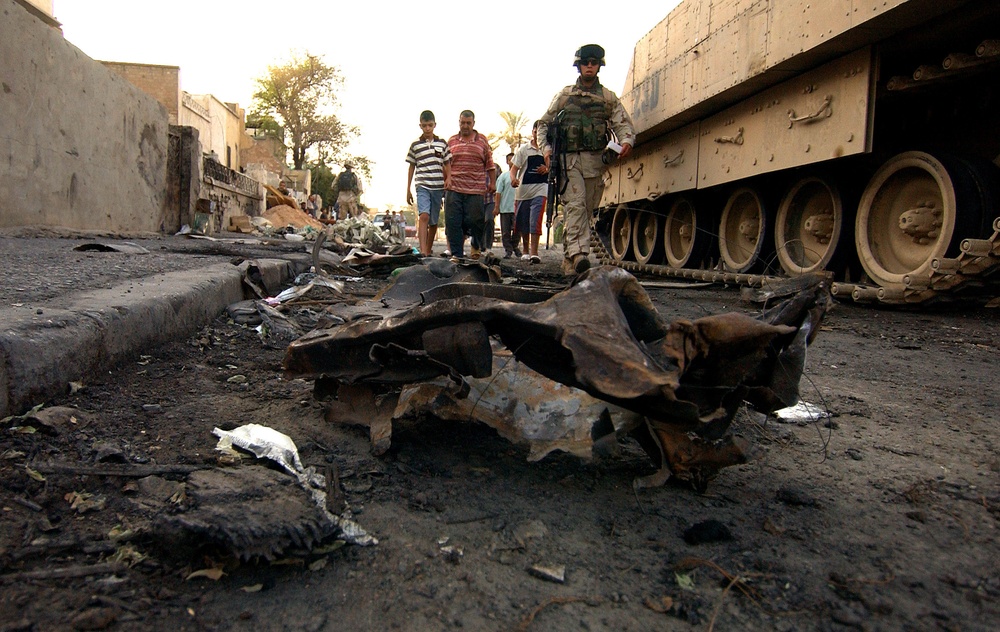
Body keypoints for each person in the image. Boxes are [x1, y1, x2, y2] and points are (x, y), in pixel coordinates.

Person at [537, 44, 635, 274]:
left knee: (586, 209)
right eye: (585, 62)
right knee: (576, 203)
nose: (589, 66)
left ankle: (570, 257)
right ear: (578, 66)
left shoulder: (607, 98)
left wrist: (627, 141)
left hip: (595, 161)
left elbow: (622, 123)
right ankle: (581, 254)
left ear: (599, 66)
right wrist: (546, 150)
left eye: (593, 62)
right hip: (568, 161)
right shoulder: (565, 95)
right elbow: (543, 124)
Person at [444, 110, 495, 260]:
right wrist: (445, 180)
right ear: (459, 122)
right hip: (454, 188)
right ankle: (457, 255)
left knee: (476, 221)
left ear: (473, 123)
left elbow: (490, 164)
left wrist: (493, 183)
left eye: (468, 123)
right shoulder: (451, 141)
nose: (465, 126)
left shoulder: (482, 141)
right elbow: (446, 164)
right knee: (453, 222)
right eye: (462, 123)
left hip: (476, 190)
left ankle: (476, 243)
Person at [405, 110, 451, 256]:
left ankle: (428, 249)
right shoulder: (415, 145)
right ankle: (423, 251)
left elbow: (447, 162)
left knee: (433, 221)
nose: (427, 129)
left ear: (434, 125)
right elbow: (411, 166)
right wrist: (408, 188)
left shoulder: (442, 144)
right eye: (424, 126)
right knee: (424, 215)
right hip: (422, 185)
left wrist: (448, 178)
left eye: (430, 125)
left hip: (438, 186)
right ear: (420, 126)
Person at [510, 120, 549, 264]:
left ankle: (534, 252)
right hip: (523, 192)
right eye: (536, 132)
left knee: (536, 220)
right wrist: (513, 179)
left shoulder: (548, 150)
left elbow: (554, 167)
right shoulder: (523, 150)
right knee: (523, 221)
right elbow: (514, 169)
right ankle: (525, 250)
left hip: (540, 189)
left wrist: (547, 169)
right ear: (532, 132)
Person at [494, 153, 517, 258]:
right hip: (505, 208)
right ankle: (508, 250)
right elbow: (498, 192)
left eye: (514, 159)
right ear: (507, 162)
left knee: (517, 231)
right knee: (505, 232)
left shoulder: (521, 175)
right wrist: (497, 207)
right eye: (510, 160)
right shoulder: (503, 176)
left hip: (517, 208)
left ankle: (515, 247)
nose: (512, 161)